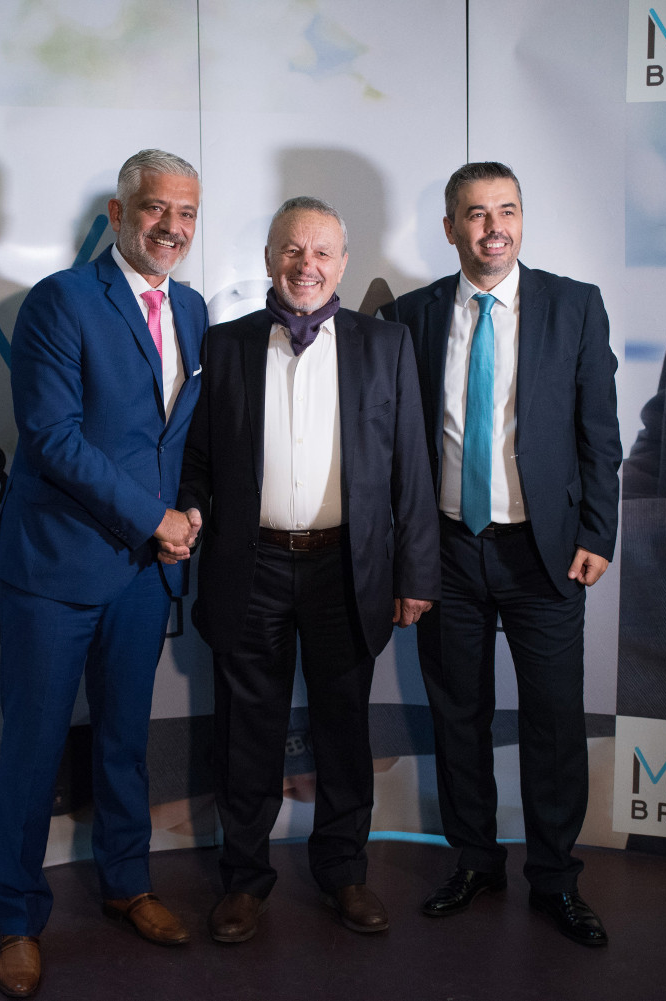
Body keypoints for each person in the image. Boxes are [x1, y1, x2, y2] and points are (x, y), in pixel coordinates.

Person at [176, 196, 439, 944]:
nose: (307, 265)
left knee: (344, 728)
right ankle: (243, 879)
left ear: (343, 263)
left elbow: (411, 468)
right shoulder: (226, 344)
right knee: (245, 733)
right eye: (292, 250)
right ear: (269, 259)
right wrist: (189, 506)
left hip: (346, 569)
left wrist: (416, 573)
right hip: (250, 565)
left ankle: (344, 871)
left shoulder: (384, 345)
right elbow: (199, 460)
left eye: (322, 252)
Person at [0, 149, 207, 998]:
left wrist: (187, 515)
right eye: (156, 208)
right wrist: (154, 517)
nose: (171, 227)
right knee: (34, 748)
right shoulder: (61, 300)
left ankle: (126, 883)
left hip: (144, 575)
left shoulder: (191, 309)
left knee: (123, 741)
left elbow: (179, 440)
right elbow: (52, 436)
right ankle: (15, 918)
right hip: (56, 567)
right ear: (118, 214)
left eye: (186, 213)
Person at [384, 163, 621, 946]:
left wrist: (598, 532)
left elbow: (600, 432)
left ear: (522, 218)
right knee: (459, 716)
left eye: (508, 210)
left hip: (543, 555)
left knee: (554, 721)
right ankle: (476, 860)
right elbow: (398, 448)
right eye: (478, 214)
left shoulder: (575, 306)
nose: (495, 228)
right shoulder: (412, 317)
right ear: (451, 227)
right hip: (447, 552)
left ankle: (554, 878)